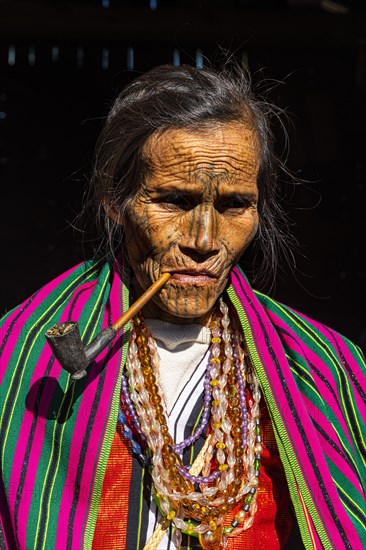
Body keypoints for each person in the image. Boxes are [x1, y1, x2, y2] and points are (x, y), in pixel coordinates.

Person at [0, 64, 364, 550]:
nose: (206, 240)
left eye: (235, 206)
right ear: (115, 199)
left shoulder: (324, 369)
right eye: (174, 200)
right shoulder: (16, 358)